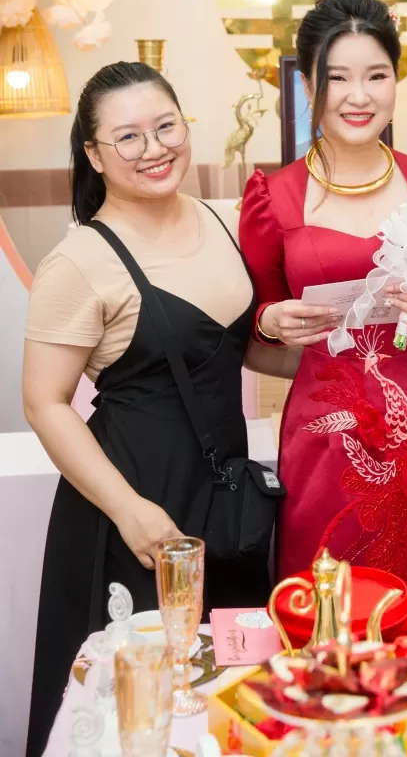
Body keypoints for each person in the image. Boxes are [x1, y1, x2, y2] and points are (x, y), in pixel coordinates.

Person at [23, 62, 271, 757]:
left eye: (166, 127)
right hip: (135, 502)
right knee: (142, 710)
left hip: (224, 499)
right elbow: (44, 403)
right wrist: (129, 510)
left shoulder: (220, 220)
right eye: (127, 137)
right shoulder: (80, 261)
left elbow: (238, 352)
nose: (154, 148)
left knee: (229, 697)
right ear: (95, 155)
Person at [239, 0, 407, 608]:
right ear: (308, 85)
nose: (359, 95)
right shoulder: (272, 197)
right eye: (338, 77)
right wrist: (270, 321)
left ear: (396, 80)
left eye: (376, 75)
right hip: (324, 436)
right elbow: (251, 324)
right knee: (327, 612)